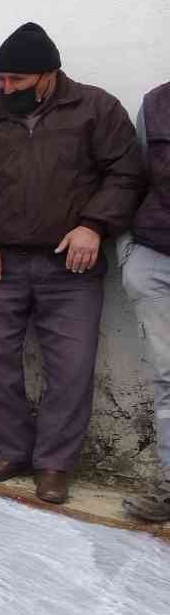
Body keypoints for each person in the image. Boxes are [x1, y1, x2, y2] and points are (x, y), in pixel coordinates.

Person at [0, 23, 144, 503]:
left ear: (49, 75)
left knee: (70, 368)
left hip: (70, 268)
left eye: (17, 81)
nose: (6, 89)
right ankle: (10, 451)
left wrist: (94, 225)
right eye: (0, 81)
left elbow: (127, 172)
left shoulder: (96, 109)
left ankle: (54, 464)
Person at [122, 80, 170, 521]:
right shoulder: (155, 104)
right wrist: (130, 253)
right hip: (157, 256)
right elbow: (133, 178)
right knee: (168, 378)